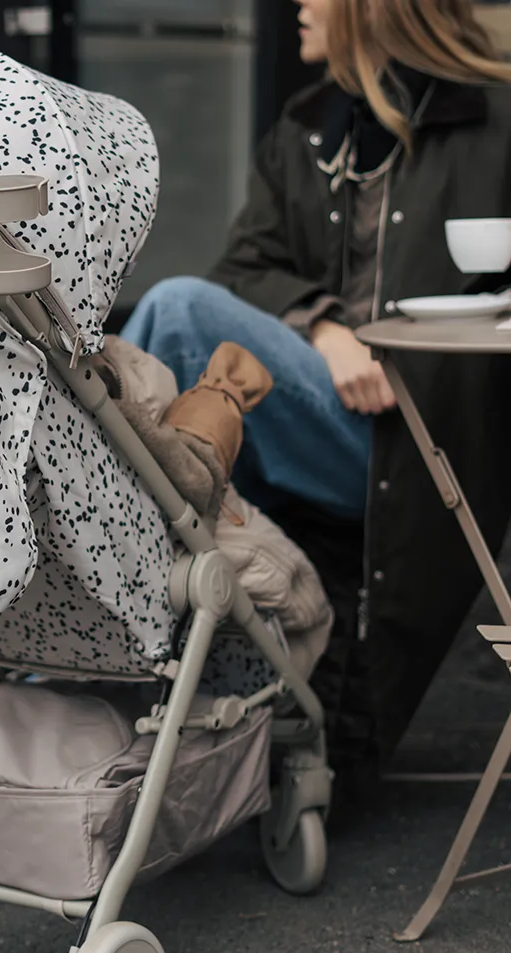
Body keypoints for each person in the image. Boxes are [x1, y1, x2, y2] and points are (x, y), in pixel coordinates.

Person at [122, 0, 511, 781]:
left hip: (417, 434)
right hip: (327, 413)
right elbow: (246, 266)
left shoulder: (497, 121)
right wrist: (324, 328)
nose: (296, 6)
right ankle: (118, 564)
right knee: (176, 318)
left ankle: (100, 548)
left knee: (176, 309)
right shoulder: (309, 125)